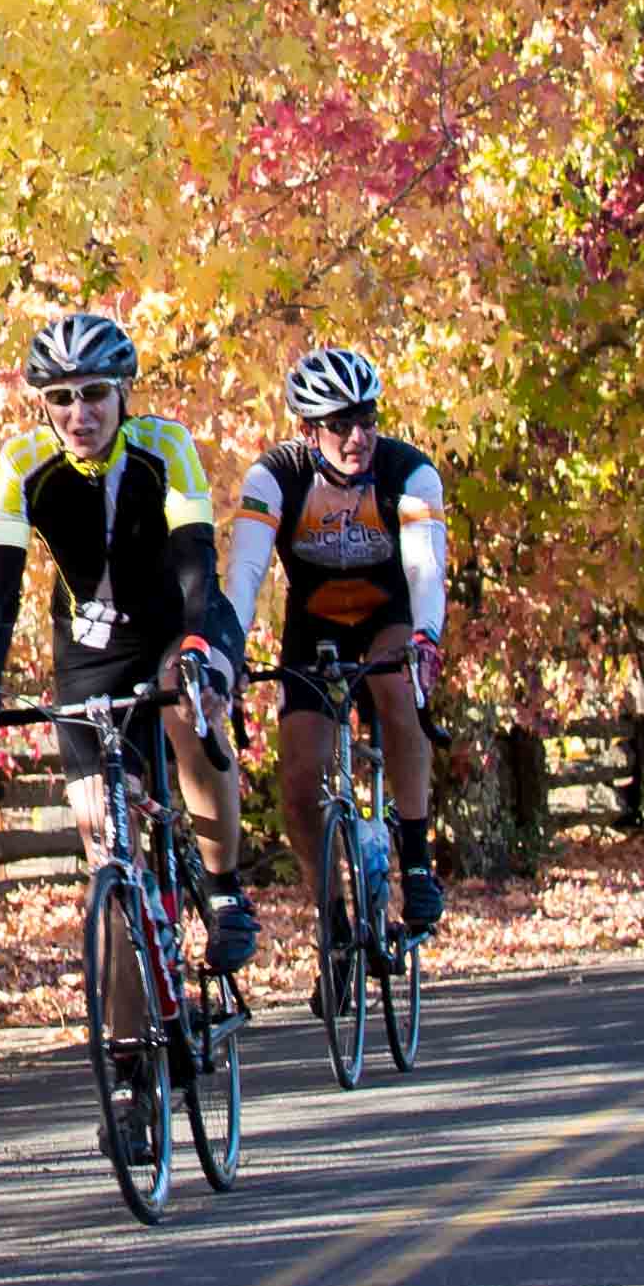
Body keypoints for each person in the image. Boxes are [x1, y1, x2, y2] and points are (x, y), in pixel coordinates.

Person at [0, 309, 252, 971]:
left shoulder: (164, 448)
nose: (78, 412)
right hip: (90, 648)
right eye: (60, 398)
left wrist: (201, 649)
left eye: (93, 393)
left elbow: (198, 564)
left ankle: (227, 893)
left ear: (123, 394)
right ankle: (129, 1050)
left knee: (187, 702)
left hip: (181, 624)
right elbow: (0, 590)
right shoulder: (22, 465)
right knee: (107, 850)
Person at [231, 345, 450, 1012]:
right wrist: (225, 650)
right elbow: (243, 574)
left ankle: (414, 858)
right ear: (307, 430)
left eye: (366, 418)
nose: (357, 436)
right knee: (299, 783)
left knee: (394, 689)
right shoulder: (276, 477)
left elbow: (424, 571)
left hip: (388, 616)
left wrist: (426, 638)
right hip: (315, 626)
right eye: (338, 423)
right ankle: (333, 920)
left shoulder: (408, 471)